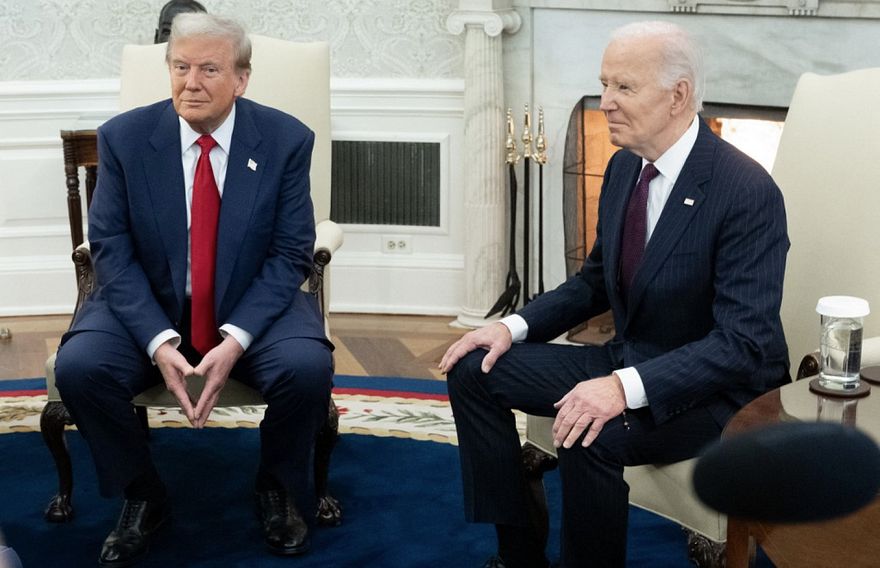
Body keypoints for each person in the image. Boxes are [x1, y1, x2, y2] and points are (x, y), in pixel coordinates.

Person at [440, 20, 790, 568]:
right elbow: (594, 282)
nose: (605, 102)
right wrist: (510, 327)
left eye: (624, 87)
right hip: (630, 359)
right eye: (604, 84)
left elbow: (741, 344)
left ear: (678, 96)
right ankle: (519, 552)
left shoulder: (745, 191)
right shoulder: (625, 166)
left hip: (717, 392)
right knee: (473, 369)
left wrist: (622, 389)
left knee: (591, 431)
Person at [54, 12, 333, 567]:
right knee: (80, 367)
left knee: (307, 368)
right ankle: (142, 493)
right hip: (149, 303)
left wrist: (236, 339)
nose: (191, 83)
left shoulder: (284, 140)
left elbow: (289, 253)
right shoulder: (124, 139)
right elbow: (111, 247)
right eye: (180, 67)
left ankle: (276, 488)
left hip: (253, 304)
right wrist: (158, 340)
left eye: (209, 69)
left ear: (241, 79)